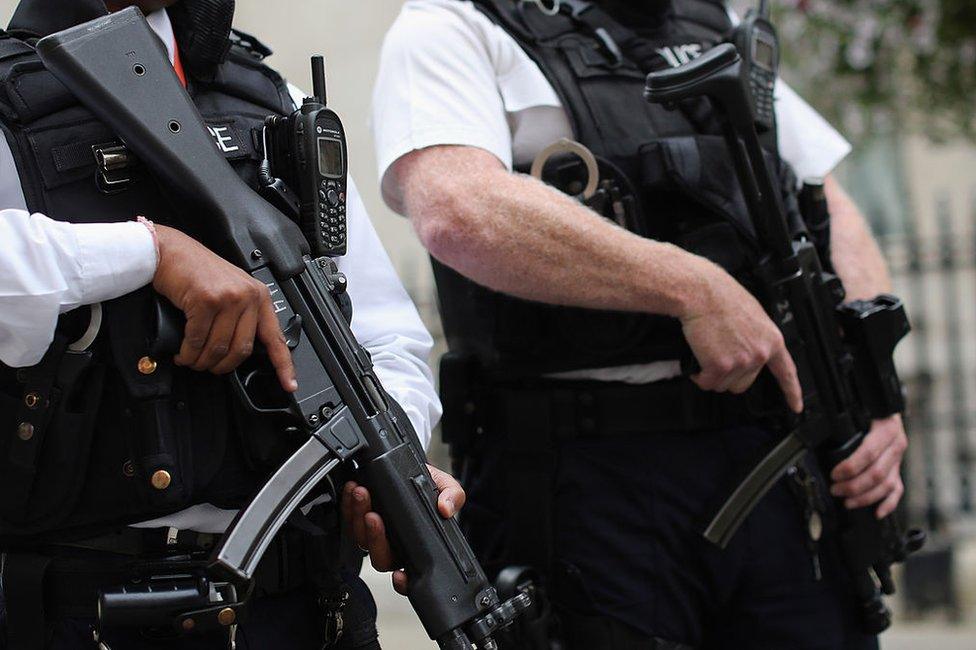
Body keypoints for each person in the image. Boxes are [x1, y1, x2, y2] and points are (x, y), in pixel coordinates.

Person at [360, 0, 910, 648]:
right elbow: (456, 204)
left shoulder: (710, 22)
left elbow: (824, 202)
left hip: (772, 457)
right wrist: (689, 289)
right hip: (586, 477)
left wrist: (874, 398)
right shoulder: (455, 25)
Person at [0, 1, 450, 648]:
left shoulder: (269, 95)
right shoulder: (10, 95)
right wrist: (150, 254)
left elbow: (381, 327)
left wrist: (388, 464)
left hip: (308, 603)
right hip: (91, 608)